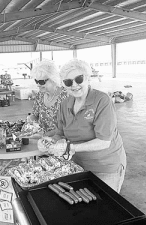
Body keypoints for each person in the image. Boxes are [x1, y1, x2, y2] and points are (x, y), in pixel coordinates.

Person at [45, 59, 127, 193]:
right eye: (68, 82)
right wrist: (49, 142)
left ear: (88, 78)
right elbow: (60, 133)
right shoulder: (65, 104)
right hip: (78, 166)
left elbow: (104, 141)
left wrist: (70, 147)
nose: (74, 85)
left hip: (105, 167)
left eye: (79, 79)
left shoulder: (102, 100)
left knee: (104, 206)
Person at [28, 60, 68, 136]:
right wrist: (31, 119)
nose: (38, 85)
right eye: (36, 81)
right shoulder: (40, 95)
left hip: (62, 140)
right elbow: (34, 115)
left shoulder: (66, 96)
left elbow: (70, 125)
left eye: (42, 82)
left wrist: (46, 134)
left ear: (53, 79)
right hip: (43, 139)